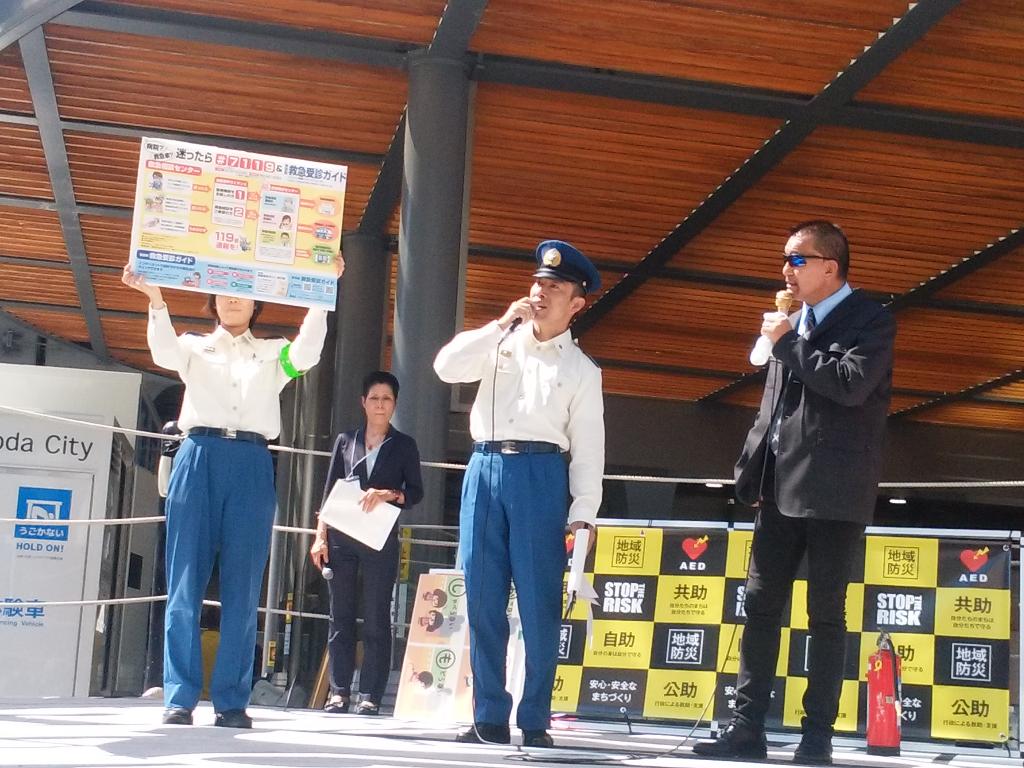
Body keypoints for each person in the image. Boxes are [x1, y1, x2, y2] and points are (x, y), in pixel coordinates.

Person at [693, 221, 895, 765]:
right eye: (785, 258)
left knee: (825, 614)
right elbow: (773, 410)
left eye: (798, 259)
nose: (787, 269)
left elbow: (850, 385)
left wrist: (788, 342)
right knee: (760, 607)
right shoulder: (792, 322)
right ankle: (746, 729)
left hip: (835, 491)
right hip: (778, 487)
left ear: (830, 266)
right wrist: (750, 469)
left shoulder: (871, 319)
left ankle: (816, 737)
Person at [121, 257, 343, 728]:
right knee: (185, 581)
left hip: (251, 461)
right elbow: (163, 353)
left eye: (242, 291)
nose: (233, 298)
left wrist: (322, 293)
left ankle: (231, 700)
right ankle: (179, 697)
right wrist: (155, 299)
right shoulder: (193, 346)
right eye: (224, 290)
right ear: (213, 300)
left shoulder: (273, 353)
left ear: (256, 302)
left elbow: (307, 353)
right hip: (198, 455)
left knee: (244, 587)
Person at [433, 239, 605, 748]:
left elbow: (589, 448)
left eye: (556, 287)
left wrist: (584, 511)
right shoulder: (500, 341)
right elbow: (446, 367)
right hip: (485, 465)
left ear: (577, 303)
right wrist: (499, 324)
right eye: (538, 283)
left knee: (538, 600)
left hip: (541, 473)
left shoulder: (582, 370)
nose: (541, 293)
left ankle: (534, 717)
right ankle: (488, 714)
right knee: (483, 595)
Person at [309, 371, 424, 715]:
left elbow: (415, 492)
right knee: (340, 615)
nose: (380, 405)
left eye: (386, 399)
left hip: (379, 538)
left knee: (376, 616)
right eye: (374, 398)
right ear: (363, 402)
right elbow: (329, 491)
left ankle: (370, 694)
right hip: (341, 536)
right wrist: (319, 536)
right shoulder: (346, 440)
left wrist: (388, 494)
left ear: (395, 404)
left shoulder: (404, 445)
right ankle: (339, 692)